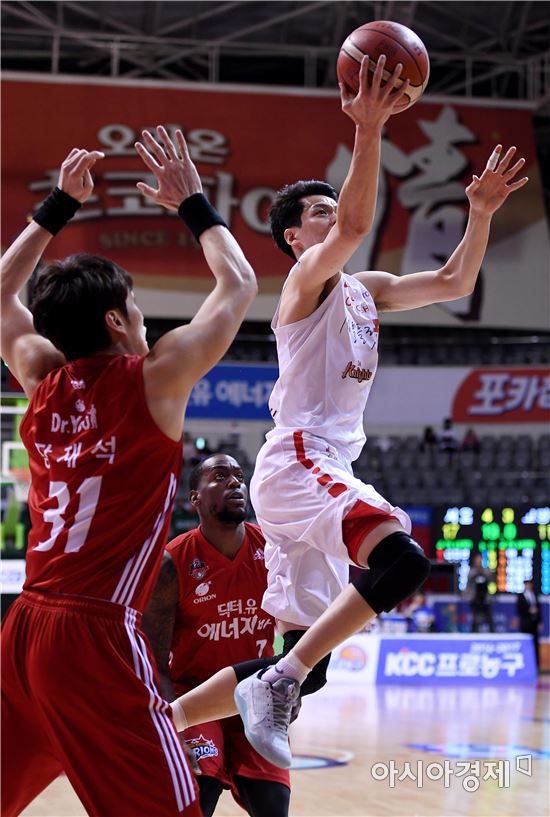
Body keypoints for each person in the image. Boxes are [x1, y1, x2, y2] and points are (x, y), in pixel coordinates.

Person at [170, 55, 528, 770]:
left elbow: (456, 279)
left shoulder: (364, 289)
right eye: (318, 214)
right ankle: (278, 677)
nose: (333, 217)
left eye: (334, 207)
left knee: (318, 663)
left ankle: (164, 717)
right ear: (296, 240)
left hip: (319, 469)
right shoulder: (304, 281)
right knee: (400, 558)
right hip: (299, 459)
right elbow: (360, 221)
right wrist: (368, 129)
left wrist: (481, 213)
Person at [0, 126, 257, 817]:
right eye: (138, 310)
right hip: (96, 635)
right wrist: (194, 203)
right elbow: (239, 282)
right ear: (117, 321)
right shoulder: (155, 379)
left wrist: (57, 205)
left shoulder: (41, 375)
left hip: (24, 628)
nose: (144, 321)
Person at [142, 454, 291, 817]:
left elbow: (296, 631)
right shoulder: (171, 562)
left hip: (255, 698)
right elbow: (156, 661)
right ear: (195, 498)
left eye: (239, 476)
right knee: (199, 795)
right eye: (220, 476)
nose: (235, 483)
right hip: (195, 698)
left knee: (273, 805)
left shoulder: (273, 550)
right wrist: (172, 724)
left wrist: (292, 686)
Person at [464, 553, 495, 633]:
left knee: (489, 619)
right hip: (475, 599)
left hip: (485, 600)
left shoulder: (486, 571)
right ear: (474, 562)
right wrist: (467, 596)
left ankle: (493, 636)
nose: (478, 562)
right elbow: (468, 586)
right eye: (477, 560)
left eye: (480, 560)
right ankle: (473, 635)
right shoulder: (471, 572)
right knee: (475, 620)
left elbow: (492, 581)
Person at [517, 579, 541, 669]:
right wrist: (529, 611)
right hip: (525, 624)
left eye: (529, 584)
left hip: (534, 624)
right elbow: (519, 610)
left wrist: (539, 621)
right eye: (526, 584)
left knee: (535, 644)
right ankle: (525, 663)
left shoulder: (535, 595)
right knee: (526, 644)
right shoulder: (521, 596)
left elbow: (539, 609)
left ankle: (536, 665)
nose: (528, 586)